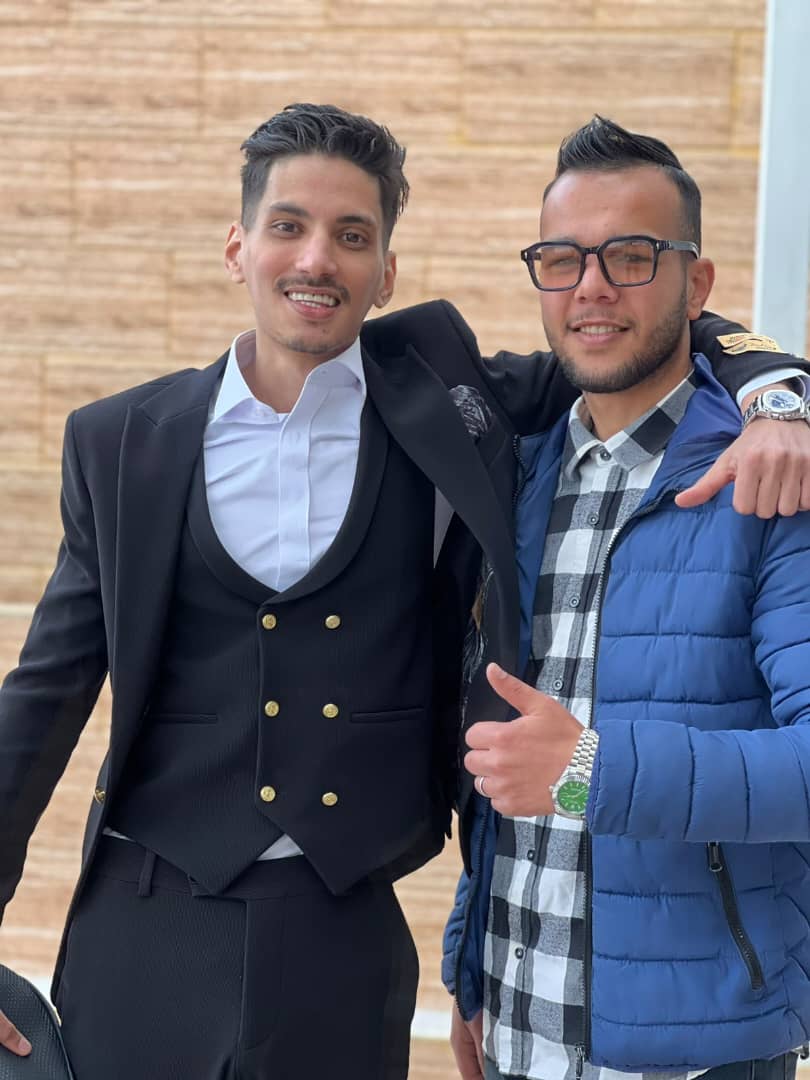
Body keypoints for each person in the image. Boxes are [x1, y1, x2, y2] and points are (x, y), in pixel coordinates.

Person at [0, 103, 806, 1080]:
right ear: (237, 245)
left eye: (353, 236)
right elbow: (41, 694)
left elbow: (642, 329)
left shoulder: (455, 405)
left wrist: (779, 395)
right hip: (145, 922)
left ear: (387, 272)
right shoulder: (122, 441)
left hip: (343, 937)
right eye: (288, 225)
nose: (317, 259)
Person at [446, 115, 810, 1080]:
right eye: (563, 259)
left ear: (698, 283)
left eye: (632, 256)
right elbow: (508, 747)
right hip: (517, 1022)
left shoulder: (773, 482)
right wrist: (469, 967)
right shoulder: (518, 475)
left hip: (699, 1051)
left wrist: (589, 771)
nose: (592, 286)